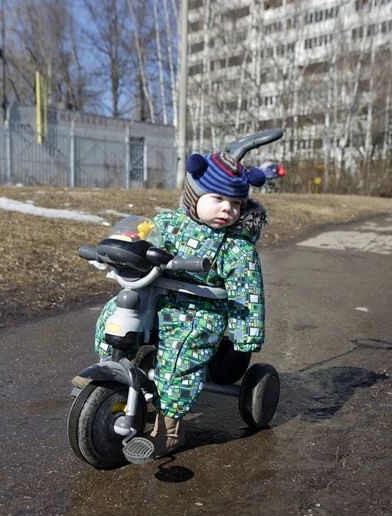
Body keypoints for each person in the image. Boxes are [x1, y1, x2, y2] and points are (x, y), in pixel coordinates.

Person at [94, 151, 267, 460]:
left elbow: (247, 293)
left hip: (199, 313)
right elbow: (144, 242)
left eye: (237, 204)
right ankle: (113, 378)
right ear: (194, 195)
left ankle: (170, 430)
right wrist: (126, 247)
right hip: (157, 299)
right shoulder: (166, 222)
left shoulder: (237, 248)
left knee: (179, 352)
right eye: (218, 198)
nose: (227, 209)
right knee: (116, 314)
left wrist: (246, 336)